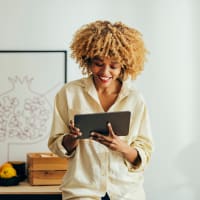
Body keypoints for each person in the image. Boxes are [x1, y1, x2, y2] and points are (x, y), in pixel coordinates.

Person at [48, 20, 153, 200]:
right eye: (98, 63)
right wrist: (72, 138)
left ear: (124, 66)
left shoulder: (135, 98)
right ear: (87, 61)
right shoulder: (69, 93)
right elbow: (56, 145)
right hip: (82, 192)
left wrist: (122, 147)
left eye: (114, 66)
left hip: (126, 193)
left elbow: (144, 152)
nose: (105, 72)